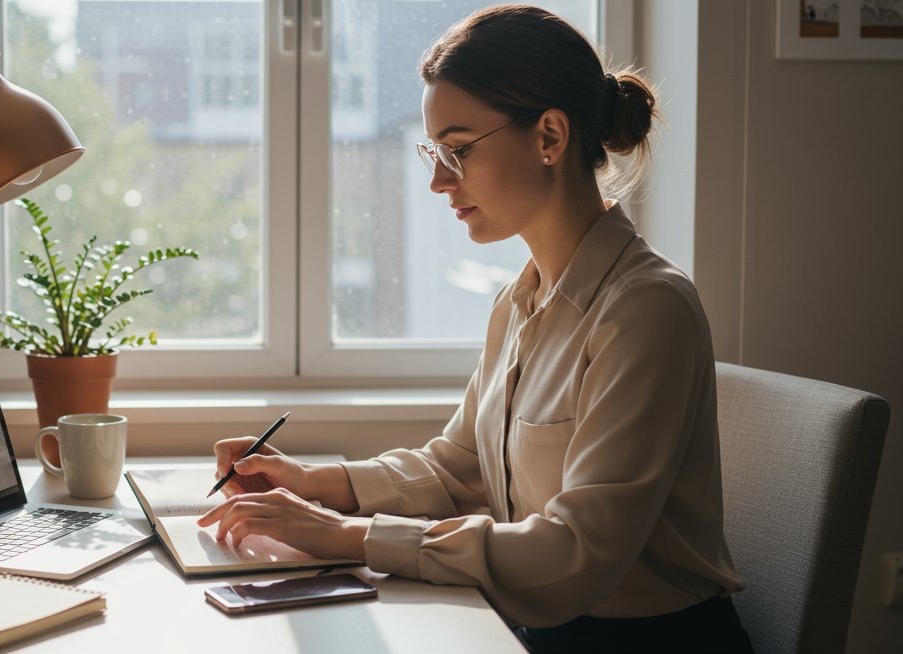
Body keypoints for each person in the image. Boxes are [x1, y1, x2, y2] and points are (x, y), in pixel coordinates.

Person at [197, 5, 753, 651]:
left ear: (550, 136)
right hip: (535, 630)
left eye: (457, 150)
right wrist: (316, 484)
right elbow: (460, 468)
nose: (437, 180)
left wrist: (345, 535)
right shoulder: (518, 303)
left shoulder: (647, 310)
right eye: (435, 152)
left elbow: (577, 553)